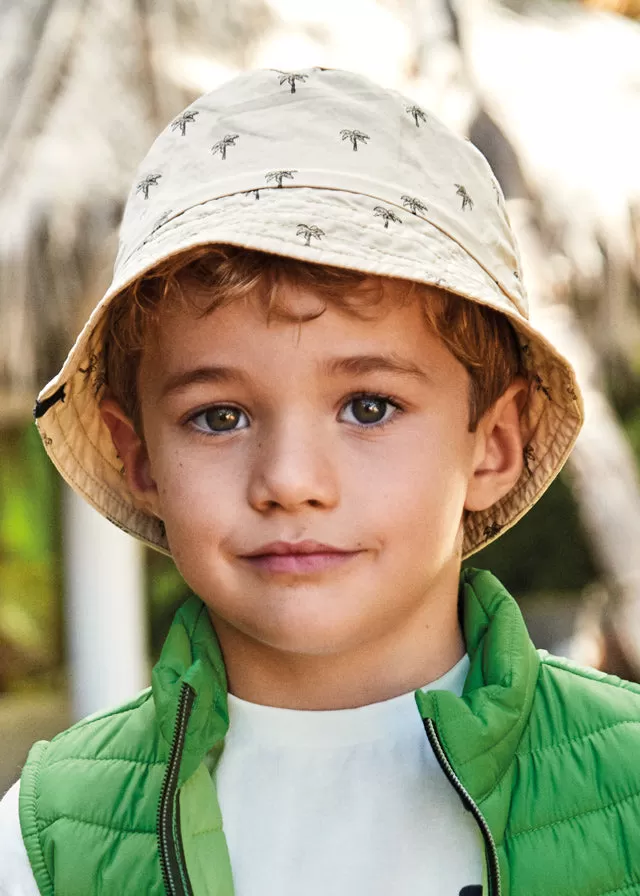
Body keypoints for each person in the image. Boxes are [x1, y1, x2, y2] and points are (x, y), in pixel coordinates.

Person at [0, 67, 638, 896]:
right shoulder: (46, 843)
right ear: (140, 457)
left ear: (493, 445)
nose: (290, 482)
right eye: (219, 416)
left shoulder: (627, 790)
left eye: (369, 406)